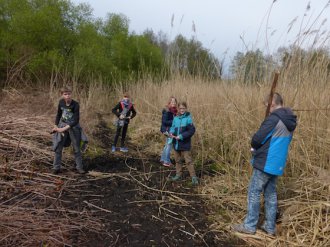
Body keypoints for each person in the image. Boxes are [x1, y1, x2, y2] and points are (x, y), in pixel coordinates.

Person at [232, 93, 297, 236]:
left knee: (254, 192)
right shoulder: (290, 120)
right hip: (278, 163)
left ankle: (249, 226)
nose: (267, 109)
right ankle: (270, 226)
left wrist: (255, 146)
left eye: (267, 105)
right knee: (271, 193)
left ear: (272, 103)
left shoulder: (274, 119)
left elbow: (257, 139)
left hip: (265, 161)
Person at [52, 86, 86, 174]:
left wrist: (63, 129)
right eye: (65, 94)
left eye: (69, 94)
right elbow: (58, 115)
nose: (67, 96)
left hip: (73, 127)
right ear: (62, 95)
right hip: (62, 125)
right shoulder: (61, 102)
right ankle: (56, 168)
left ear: (71, 94)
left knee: (76, 148)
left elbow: (76, 120)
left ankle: (79, 167)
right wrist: (56, 126)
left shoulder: (75, 104)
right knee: (58, 147)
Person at [169, 102, 198, 185]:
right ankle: (178, 175)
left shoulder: (188, 118)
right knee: (177, 160)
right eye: (180, 108)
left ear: (186, 108)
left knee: (188, 161)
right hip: (176, 143)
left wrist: (181, 136)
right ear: (178, 108)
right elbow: (173, 127)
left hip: (185, 143)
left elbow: (191, 131)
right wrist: (171, 132)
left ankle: (193, 177)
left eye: (183, 108)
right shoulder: (175, 118)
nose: (182, 110)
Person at [160, 96, 178, 167]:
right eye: (172, 102)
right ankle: (166, 161)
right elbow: (164, 122)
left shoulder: (174, 110)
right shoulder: (167, 111)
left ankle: (163, 159)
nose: (173, 103)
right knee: (169, 146)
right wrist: (174, 120)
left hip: (170, 129)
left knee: (167, 145)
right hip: (167, 130)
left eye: (174, 102)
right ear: (169, 102)